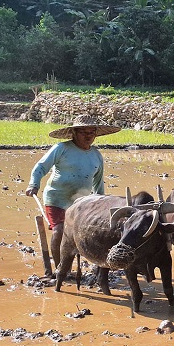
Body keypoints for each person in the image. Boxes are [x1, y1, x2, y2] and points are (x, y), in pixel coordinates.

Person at [25, 114, 121, 268]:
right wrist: (33, 184)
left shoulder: (96, 155)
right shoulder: (61, 149)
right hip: (56, 198)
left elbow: (98, 183)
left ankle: (92, 263)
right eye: (83, 132)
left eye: (92, 132)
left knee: (84, 233)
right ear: (74, 133)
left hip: (80, 203)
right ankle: (60, 269)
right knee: (60, 230)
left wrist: (103, 205)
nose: (88, 136)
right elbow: (41, 166)